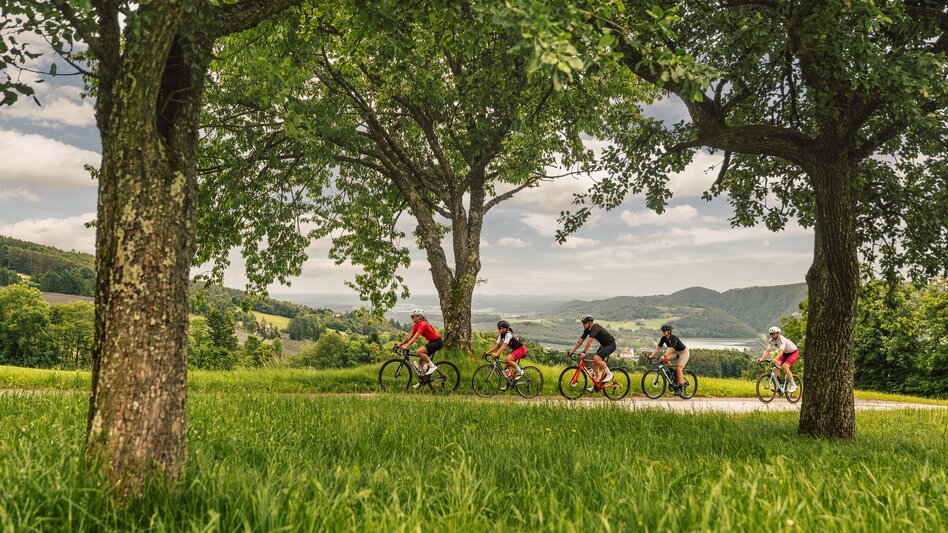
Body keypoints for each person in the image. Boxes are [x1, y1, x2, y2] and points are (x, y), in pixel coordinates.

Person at [566, 315, 616, 391]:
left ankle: (609, 374)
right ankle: (596, 386)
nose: (583, 324)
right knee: (594, 364)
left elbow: (590, 340)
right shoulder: (586, 330)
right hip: (603, 345)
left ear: (590, 323)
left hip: (611, 345)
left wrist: (584, 352)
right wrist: (572, 351)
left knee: (596, 358)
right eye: (583, 323)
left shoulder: (595, 327)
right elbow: (580, 341)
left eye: (585, 323)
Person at [397, 308, 444, 387]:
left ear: (419, 317)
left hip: (437, 342)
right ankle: (422, 381)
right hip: (432, 342)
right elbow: (409, 337)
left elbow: (415, 338)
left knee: (419, 351)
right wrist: (401, 344)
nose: (412, 318)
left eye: (413, 317)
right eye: (411, 317)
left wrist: (406, 346)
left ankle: (433, 366)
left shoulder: (423, 324)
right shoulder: (417, 325)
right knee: (421, 362)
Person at [484, 320, 528, 390]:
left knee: (507, 359)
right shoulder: (501, 335)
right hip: (516, 350)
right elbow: (496, 345)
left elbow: (504, 346)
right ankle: (510, 383)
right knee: (506, 370)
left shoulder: (508, 334)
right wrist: (487, 352)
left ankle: (520, 372)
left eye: (499, 328)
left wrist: (496, 353)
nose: (498, 329)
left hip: (521, 349)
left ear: (504, 329)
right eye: (498, 328)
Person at [646, 324, 690, 394]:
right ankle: (672, 372)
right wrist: (650, 356)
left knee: (679, 368)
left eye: (664, 331)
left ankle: (680, 388)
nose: (663, 332)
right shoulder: (663, 338)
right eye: (662, 331)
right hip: (676, 352)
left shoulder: (674, 338)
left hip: (683, 353)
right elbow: (658, 348)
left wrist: (664, 355)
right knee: (664, 359)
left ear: (669, 331)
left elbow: (671, 349)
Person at [758, 326, 799, 393]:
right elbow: (768, 351)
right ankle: (779, 385)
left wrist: (775, 359)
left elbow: (781, 351)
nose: (771, 335)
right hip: (785, 353)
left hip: (793, 353)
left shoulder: (782, 339)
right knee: (775, 367)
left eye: (773, 334)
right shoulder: (771, 341)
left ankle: (793, 385)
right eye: (770, 334)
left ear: (778, 333)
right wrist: (761, 359)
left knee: (785, 367)